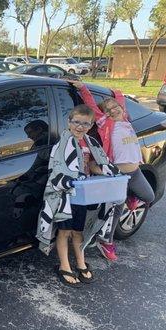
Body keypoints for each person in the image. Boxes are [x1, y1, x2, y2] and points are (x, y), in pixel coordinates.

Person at [69, 80, 155, 261]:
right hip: (118, 174)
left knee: (149, 197)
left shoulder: (125, 120)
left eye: (115, 107)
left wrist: (116, 94)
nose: (113, 111)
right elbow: (93, 106)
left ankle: (131, 200)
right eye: (108, 110)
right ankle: (105, 241)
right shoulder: (105, 123)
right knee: (115, 209)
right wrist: (82, 88)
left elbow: (120, 98)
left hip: (135, 172)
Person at [36, 104, 120, 287]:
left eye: (85, 124)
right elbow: (57, 168)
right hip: (64, 195)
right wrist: (72, 178)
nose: (80, 127)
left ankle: (81, 262)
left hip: (83, 194)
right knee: (64, 230)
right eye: (76, 122)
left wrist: (108, 172)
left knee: (78, 231)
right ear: (69, 122)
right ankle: (64, 266)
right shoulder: (62, 144)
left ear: (91, 125)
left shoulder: (90, 143)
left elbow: (91, 165)